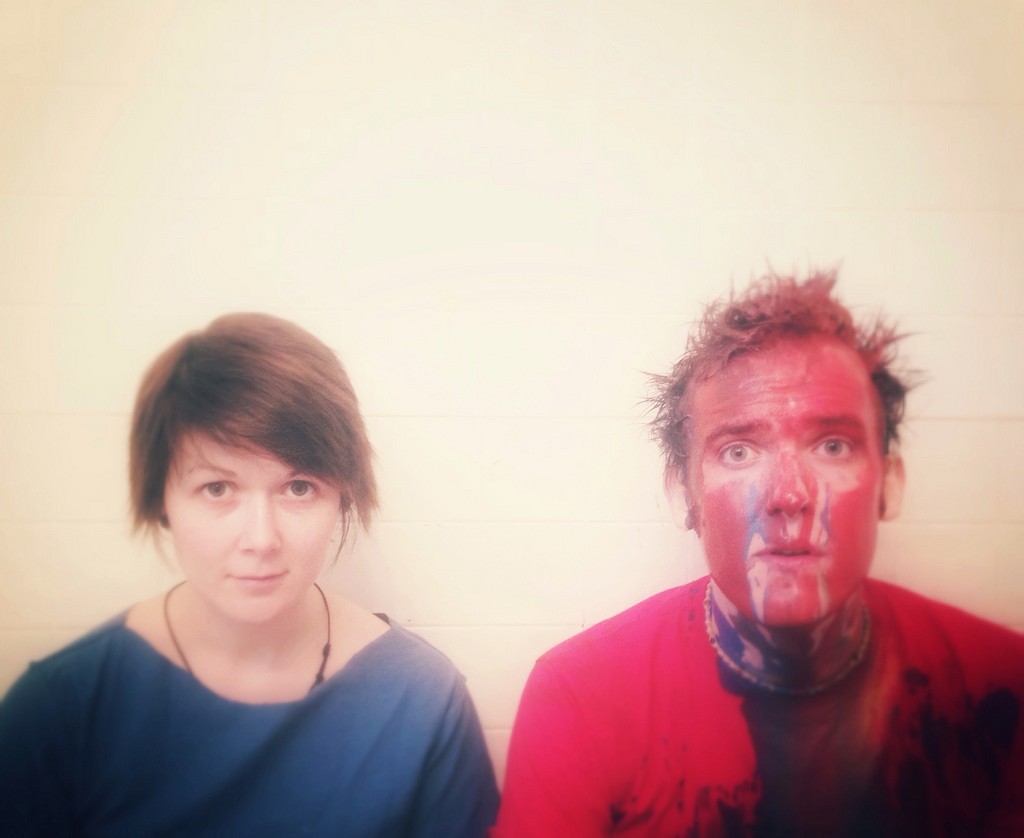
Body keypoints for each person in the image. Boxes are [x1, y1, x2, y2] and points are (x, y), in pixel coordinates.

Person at [492, 271, 1024, 836]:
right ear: (683, 494)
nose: (788, 495)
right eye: (739, 451)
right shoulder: (580, 696)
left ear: (888, 485)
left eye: (833, 445)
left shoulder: (999, 684)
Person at [0, 313, 499, 837]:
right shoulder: (64, 706)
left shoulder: (420, 700)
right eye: (217, 488)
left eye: (298, 488)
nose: (261, 539)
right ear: (161, 499)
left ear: (342, 497)